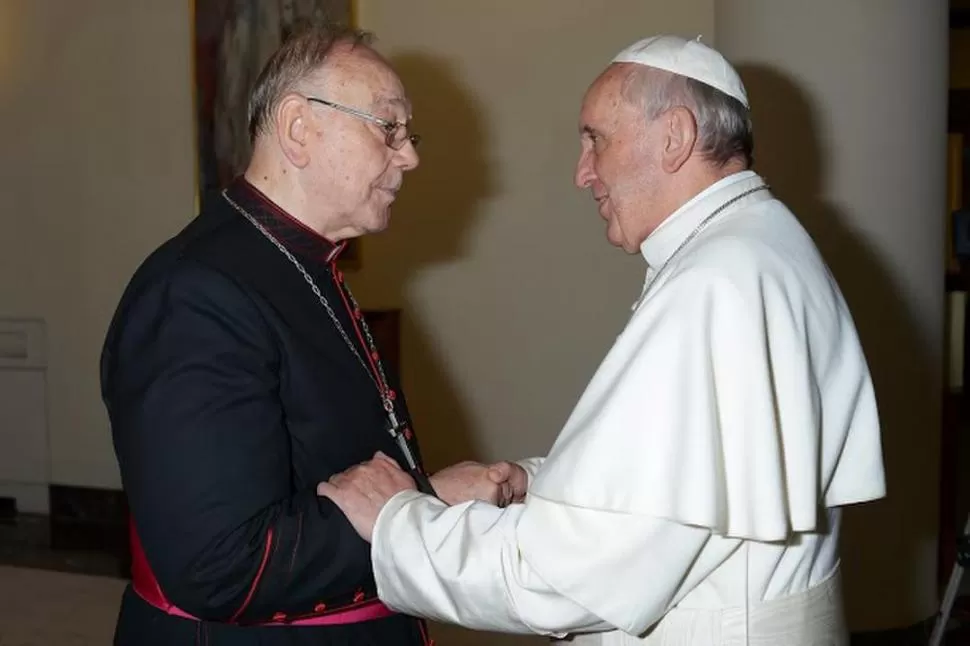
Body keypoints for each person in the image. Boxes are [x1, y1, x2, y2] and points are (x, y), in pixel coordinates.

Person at [317, 35, 887, 645]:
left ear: (674, 137)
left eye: (596, 138)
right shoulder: (764, 243)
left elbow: (562, 582)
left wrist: (398, 521)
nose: (582, 171)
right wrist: (543, 483)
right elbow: (681, 488)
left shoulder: (714, 283)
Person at [100, 25, 521, 646]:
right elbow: (219, 567)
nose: (410, 156)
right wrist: (424, 501)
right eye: (389, 127)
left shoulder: (300, 265)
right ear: (299, 128)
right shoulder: (194, 293)